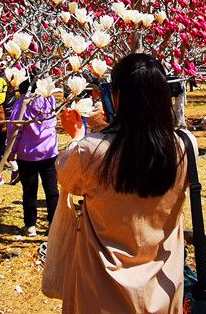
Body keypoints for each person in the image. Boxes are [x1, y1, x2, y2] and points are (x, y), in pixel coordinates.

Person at [54, 53, 195, 314]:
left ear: (117, 98)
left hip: (101, 289)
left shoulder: (91, 151)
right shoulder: (186, 146)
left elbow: (66, 178)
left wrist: (80, 136)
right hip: (163, 286)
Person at [6, 76, 59, 236]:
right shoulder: (50, 101)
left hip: (27, 155)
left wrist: (11, 151)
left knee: (29, 191)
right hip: (49, 152)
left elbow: (14, 131)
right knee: (52, 190)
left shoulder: (20, 106)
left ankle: (30, 226)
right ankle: (54, 224)